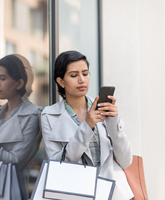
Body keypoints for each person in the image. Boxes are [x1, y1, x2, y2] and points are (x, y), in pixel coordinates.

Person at [41, 50, 133, 200]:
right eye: (73, 75)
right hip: (77, 193)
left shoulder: (102, 108)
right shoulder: (49, 115)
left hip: (114, 193)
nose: (82, 80)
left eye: (85, 73)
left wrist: (114, 122)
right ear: (61, 81)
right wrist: (87, 126)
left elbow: (125, 160)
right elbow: (57, 165)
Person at [0, 54, 41, 199]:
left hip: (7, 192)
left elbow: (15, 162)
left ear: (19, 83)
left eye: (2, 79)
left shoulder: (32, 115)